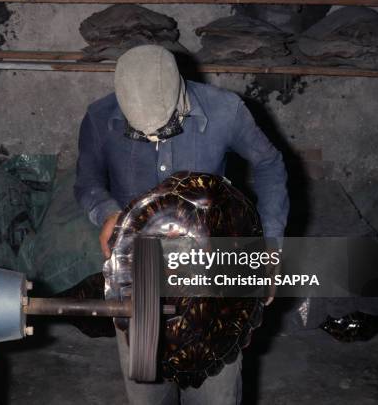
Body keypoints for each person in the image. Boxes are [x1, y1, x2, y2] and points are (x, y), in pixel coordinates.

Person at [74, 45, 288, 405]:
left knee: (216, 393)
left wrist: (269, 244)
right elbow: (87, 181)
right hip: (140, 273)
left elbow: (269, 165)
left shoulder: (225, 110)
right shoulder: (98, 118)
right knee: (148, 391)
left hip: (213, 271)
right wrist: (107, 211)